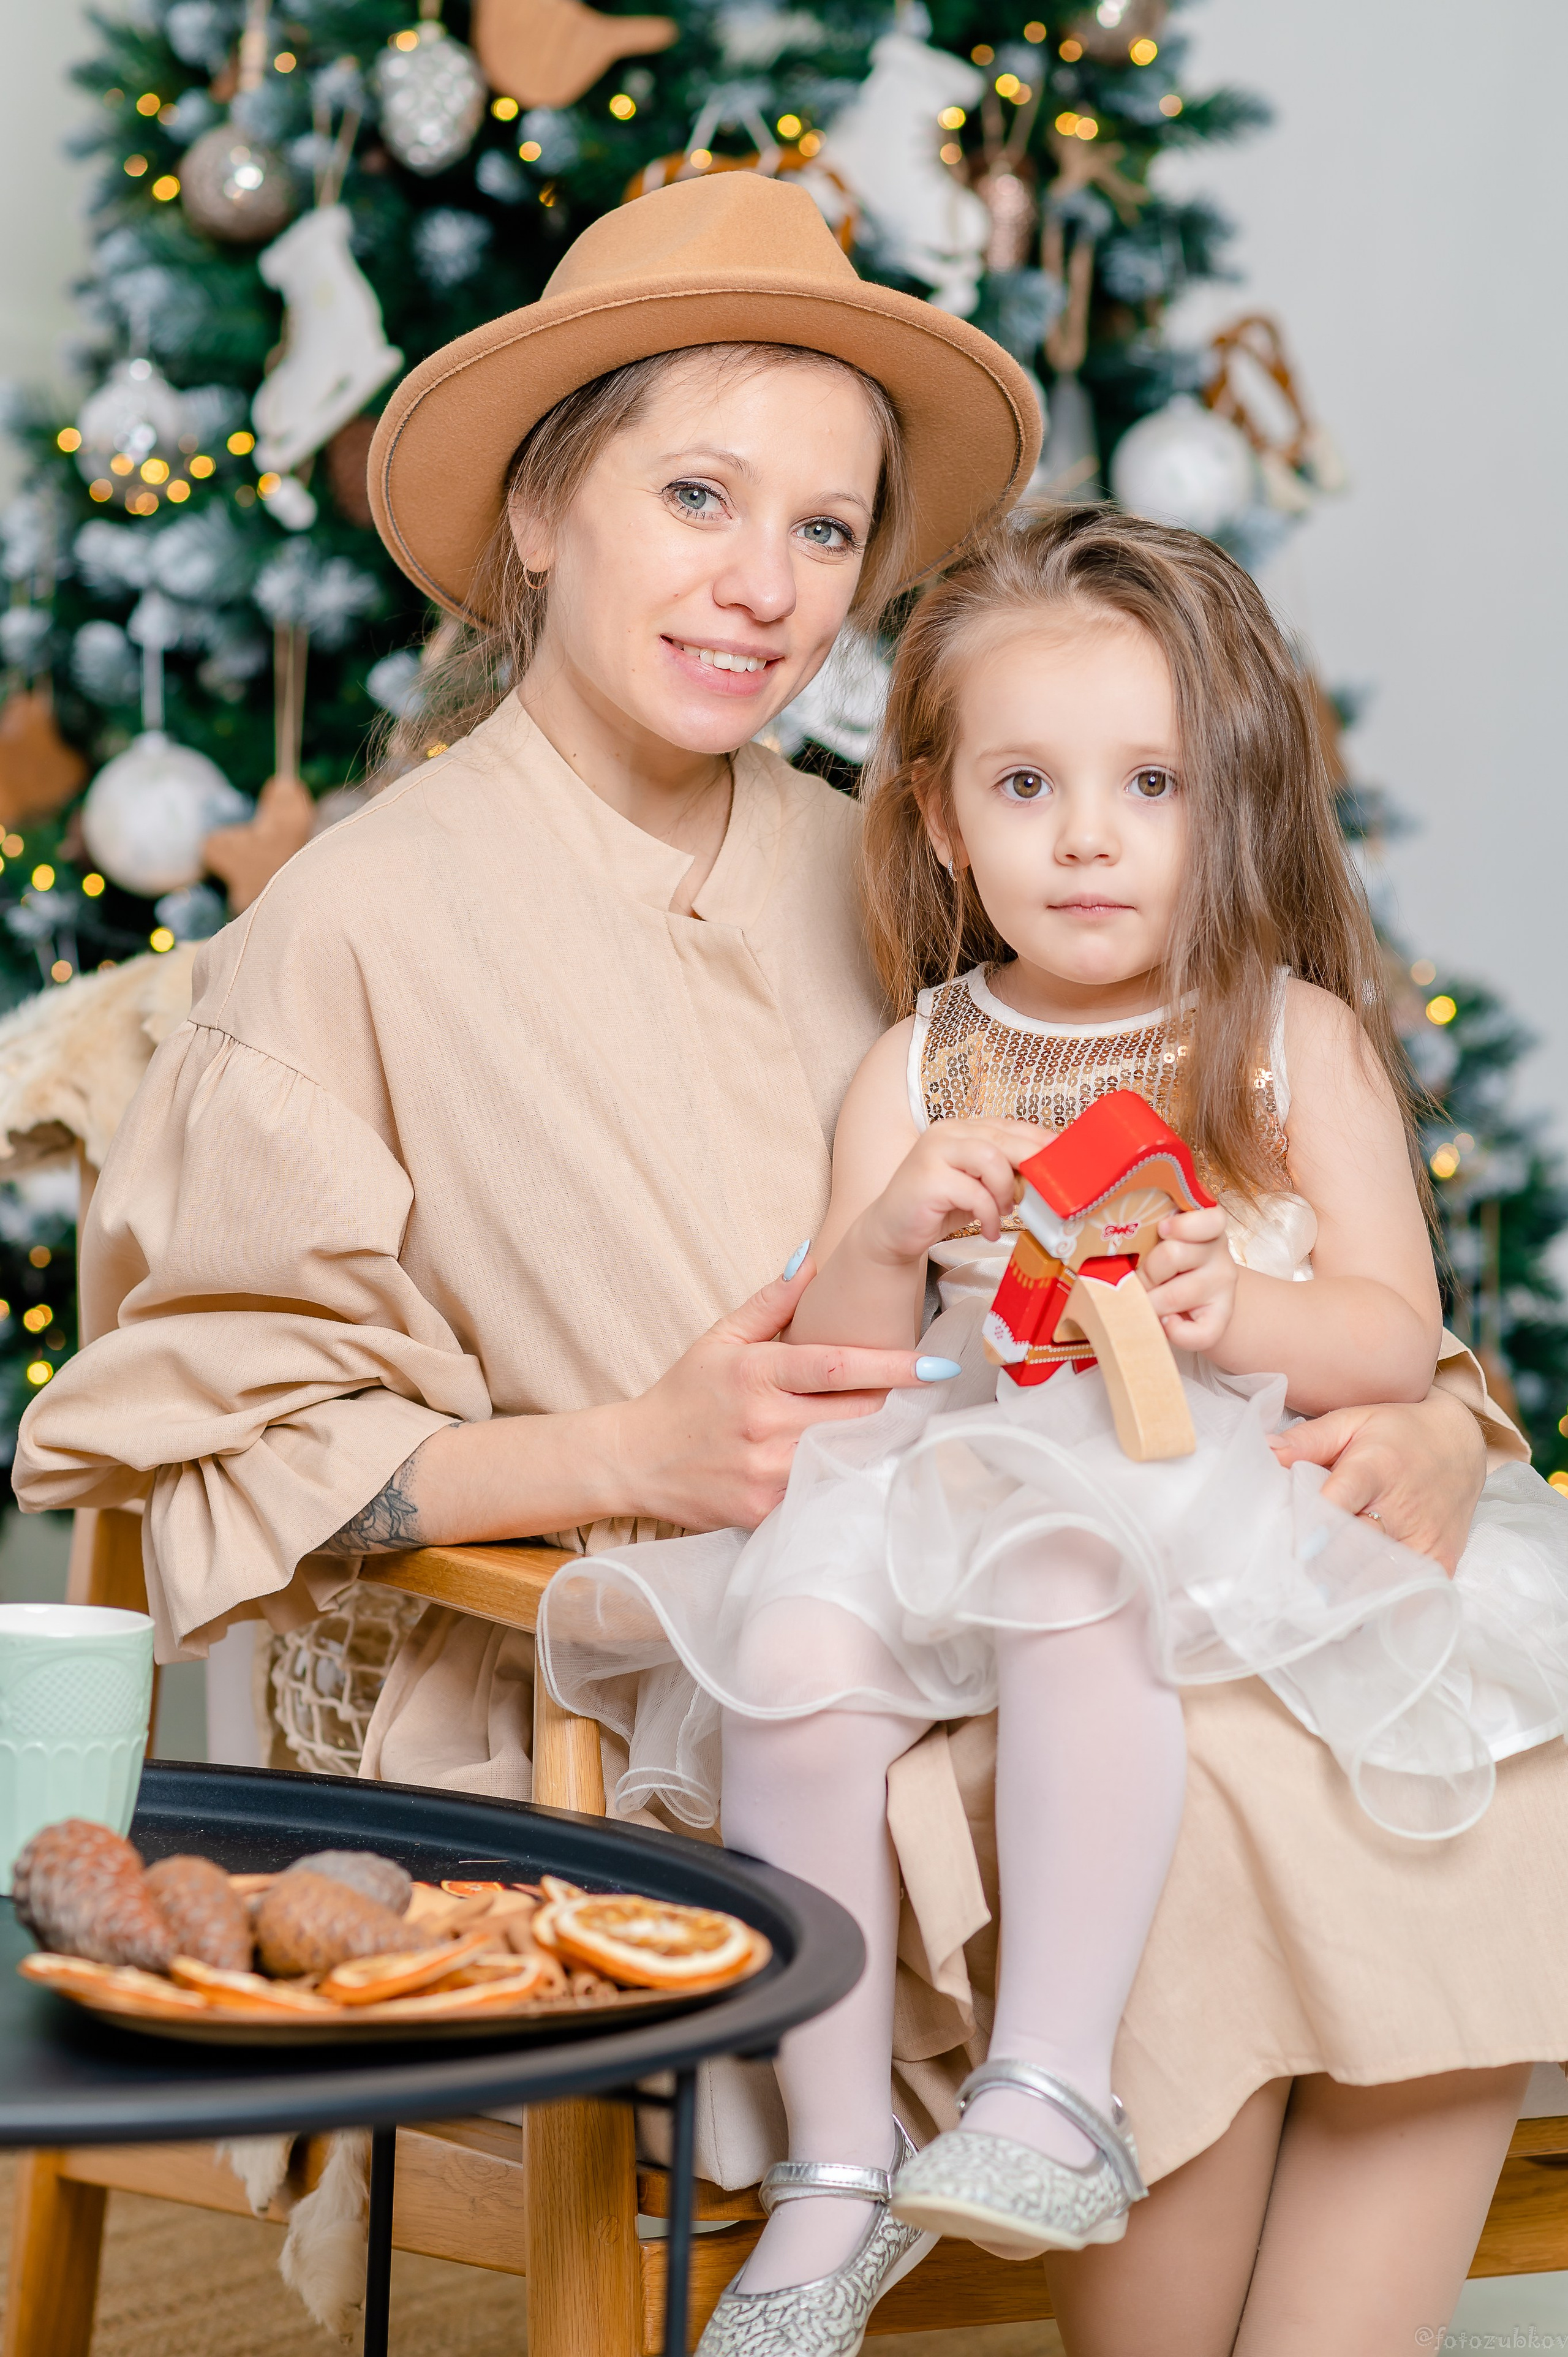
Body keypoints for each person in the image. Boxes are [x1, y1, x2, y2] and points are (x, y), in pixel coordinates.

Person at [10, 173, 1556, 2357]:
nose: (766, 590)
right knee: (1248, 1782)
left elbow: (1248, 1195)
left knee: (1468, 1759)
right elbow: (211, 1440)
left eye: (827, 533)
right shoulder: (352, 930)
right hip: (685, 1680)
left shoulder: (911, 853)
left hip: (1060, 1569)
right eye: (702, 497)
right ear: (545, 511)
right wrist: (623, 1444)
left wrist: (1410, 1415)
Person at [540, 507, 1568, 2348]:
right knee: (789, 1644)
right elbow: (857, 1362)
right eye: (1026, 786)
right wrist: (883, 1232)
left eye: (1150, 784)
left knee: (1072, 1567)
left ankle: (1052, 2086)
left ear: (1230, 804)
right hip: (938, 1479)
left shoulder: (1283, 1039)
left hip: (1190, 1496)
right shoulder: (925, 1059)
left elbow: (1397, 1330)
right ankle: (835, 2165)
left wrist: (1229, 1305)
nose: (1087, 837)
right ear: (943, 819)